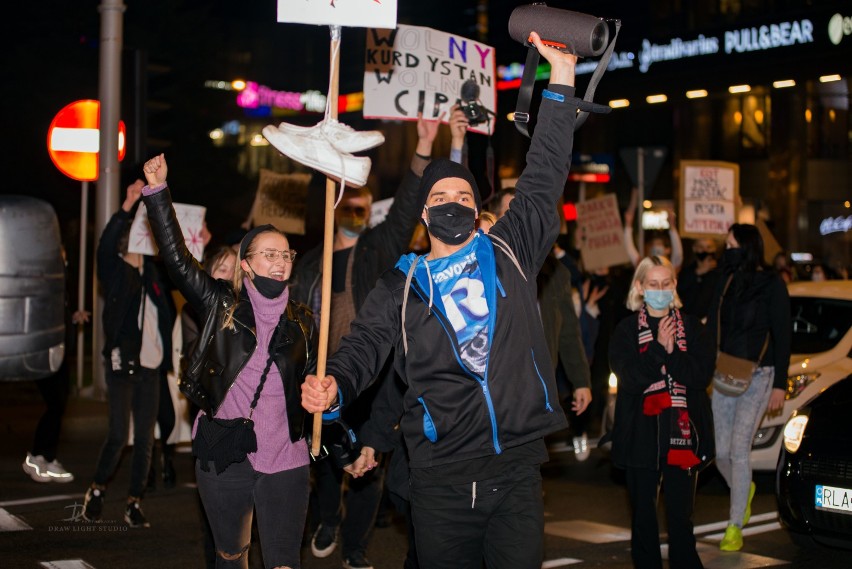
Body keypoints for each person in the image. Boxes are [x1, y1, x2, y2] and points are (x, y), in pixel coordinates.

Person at [302, 33, 579, 569]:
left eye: (464, 197)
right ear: (423, 215)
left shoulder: (511, 250)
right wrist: (334, 386)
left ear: (478, 211)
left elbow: (544, 176)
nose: (453, 203)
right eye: (440, 197)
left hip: (516, 472)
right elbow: (364, 347)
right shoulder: (400, 284)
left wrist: (561, 83)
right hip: (440, 482)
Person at [140, 153, 317, 569]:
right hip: (226, 452)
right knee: (231, 554)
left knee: (283, 560)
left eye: (286, 255)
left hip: (287, 457)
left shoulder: (305, 319)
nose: (279, 261)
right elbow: (179, 261)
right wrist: (159, 192)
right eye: (268, 254)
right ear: (247, 265)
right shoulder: (222, 304)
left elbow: (314, 384)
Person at [291, 114, 441, 569]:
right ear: (335, 205)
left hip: (368, 378)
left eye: (364, 203)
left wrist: (423, 148)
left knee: (367, 464)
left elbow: (406, 211)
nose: (357, 210)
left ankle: (355, 549)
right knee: (324, 457)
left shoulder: (378, 248)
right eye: (350, 202)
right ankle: (327, 521)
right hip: (321, 375)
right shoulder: (311, 261)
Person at [609, 256, 715, 569]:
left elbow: (699, 376)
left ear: (675, 285)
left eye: (665, 283)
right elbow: (630, 380)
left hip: (681, 436)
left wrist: (672, 352)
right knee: (643, 519)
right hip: (641, 436)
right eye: (653, 284)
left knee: (682, 520)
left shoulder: (693, 328)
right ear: (640, 287)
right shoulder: (626, 331)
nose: (660, 290)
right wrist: (657, 348)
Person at [82, 180, 176, 528]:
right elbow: (105, 247)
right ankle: (97, 489)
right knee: (119, 434)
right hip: (123, 363)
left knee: (145, 441)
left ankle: (134, 501)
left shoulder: (152, 275)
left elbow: (178, 262)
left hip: (150, 367)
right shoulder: (117, 271)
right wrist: (126, 207)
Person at [487, 186, 592, 459]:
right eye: (513, 216)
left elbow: (568, 331)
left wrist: (581, 381)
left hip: (537, 389)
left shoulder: (556, 274)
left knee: (527, 465)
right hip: (493, 391)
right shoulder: (481, 270)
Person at [706, 223, 791, 552]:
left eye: (732, 244)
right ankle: (746, 489)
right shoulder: (725, 280)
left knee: (739, 450)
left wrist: (780, 385)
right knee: (720, 452)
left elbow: (783, 336)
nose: (727, 249)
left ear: (748, 247)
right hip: (724, 373)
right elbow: (712, 323)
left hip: (760, 375)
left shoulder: (772, 284)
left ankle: (734, 525)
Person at [22, 246, 89, 483]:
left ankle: (47, 458)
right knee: (55, 403)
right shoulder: (46, 278)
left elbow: (56, 312)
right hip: (46, 350)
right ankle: (36, 457)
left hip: (58, 349)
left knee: (58, 404)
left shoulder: (58, 286)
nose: (65, 255)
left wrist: (72, 317)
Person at [677, 238, 722, 321]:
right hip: (690, 320)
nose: (705, 251)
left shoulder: (721, 271)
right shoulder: (686, 272)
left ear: (714, 248)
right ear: (694, 248)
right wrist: (698, 272)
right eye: (701, 247)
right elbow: (680, 290)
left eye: (709, 247)